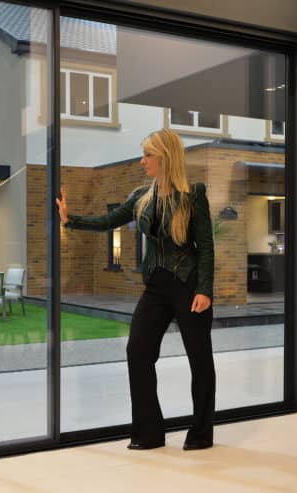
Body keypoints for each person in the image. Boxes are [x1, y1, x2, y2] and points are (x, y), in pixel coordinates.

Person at [56, 128, 216, 451]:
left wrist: (205, 289)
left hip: (188, 286)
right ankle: (149, 432)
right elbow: (108, 221)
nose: (143, 162)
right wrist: (69, 219)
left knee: (199, 361)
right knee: (137, 351)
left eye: (148, 156)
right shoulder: (143, 197)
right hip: (156, 286)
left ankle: (200, 433)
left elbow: (207, 247)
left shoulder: (193, 195)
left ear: (165, 158)